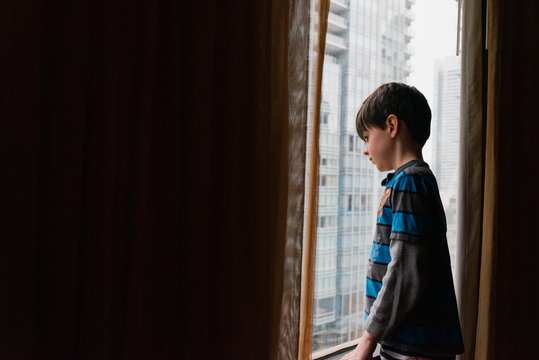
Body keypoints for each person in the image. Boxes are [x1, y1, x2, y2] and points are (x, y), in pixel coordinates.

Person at [341, 83, 464, 360]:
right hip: (406, 340)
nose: (365, 149)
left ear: (392, 126)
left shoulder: (411, 182)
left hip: (417, 344)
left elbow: (404, 272)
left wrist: (367, 341)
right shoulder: (407, 182)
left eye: (366, 136)